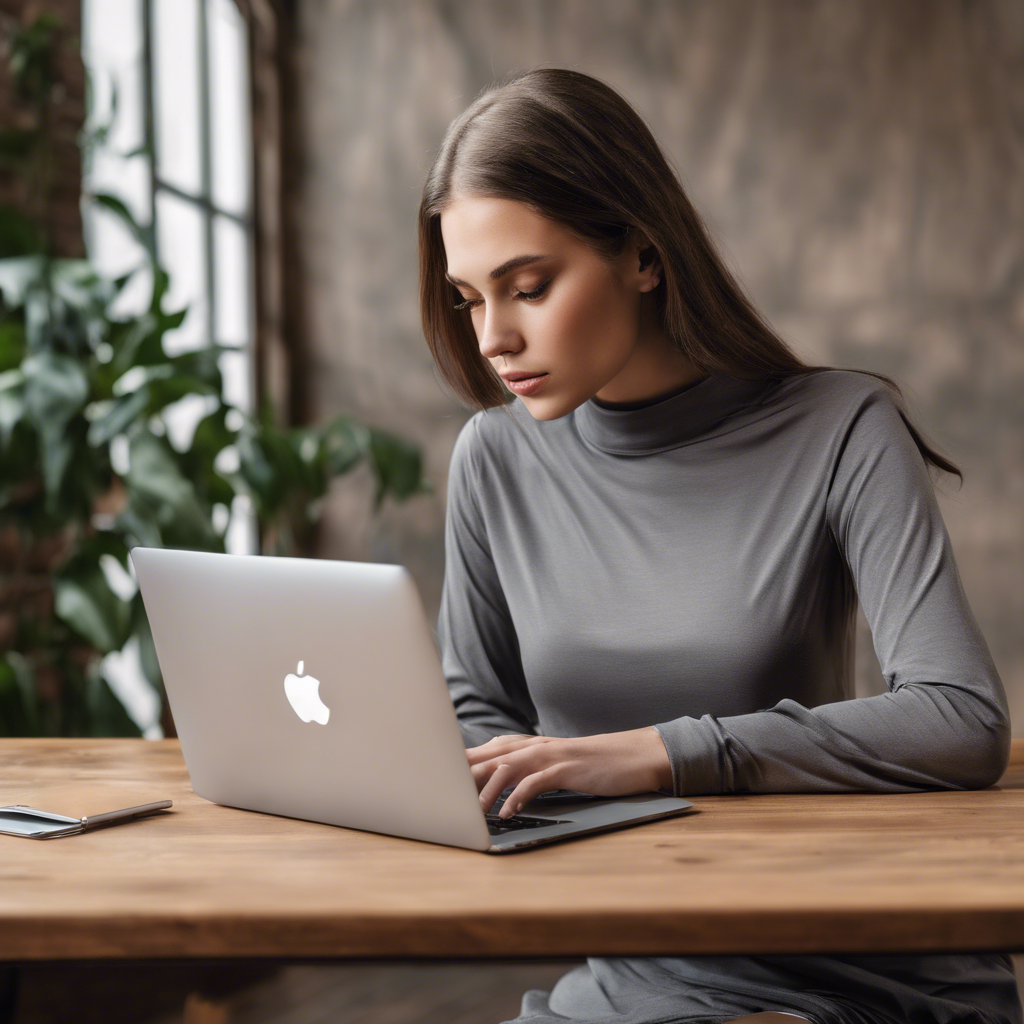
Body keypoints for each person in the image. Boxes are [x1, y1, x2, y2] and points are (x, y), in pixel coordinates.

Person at [418, 67, 1020, 1024]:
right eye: (468, 298)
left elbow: (959, 717)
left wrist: (666, 752)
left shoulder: (841, 427)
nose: (494, 336)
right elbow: (479, 715)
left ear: (644, 257)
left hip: (852, 960)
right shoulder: (495, 457)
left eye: (527, 287)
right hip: (642, 965)